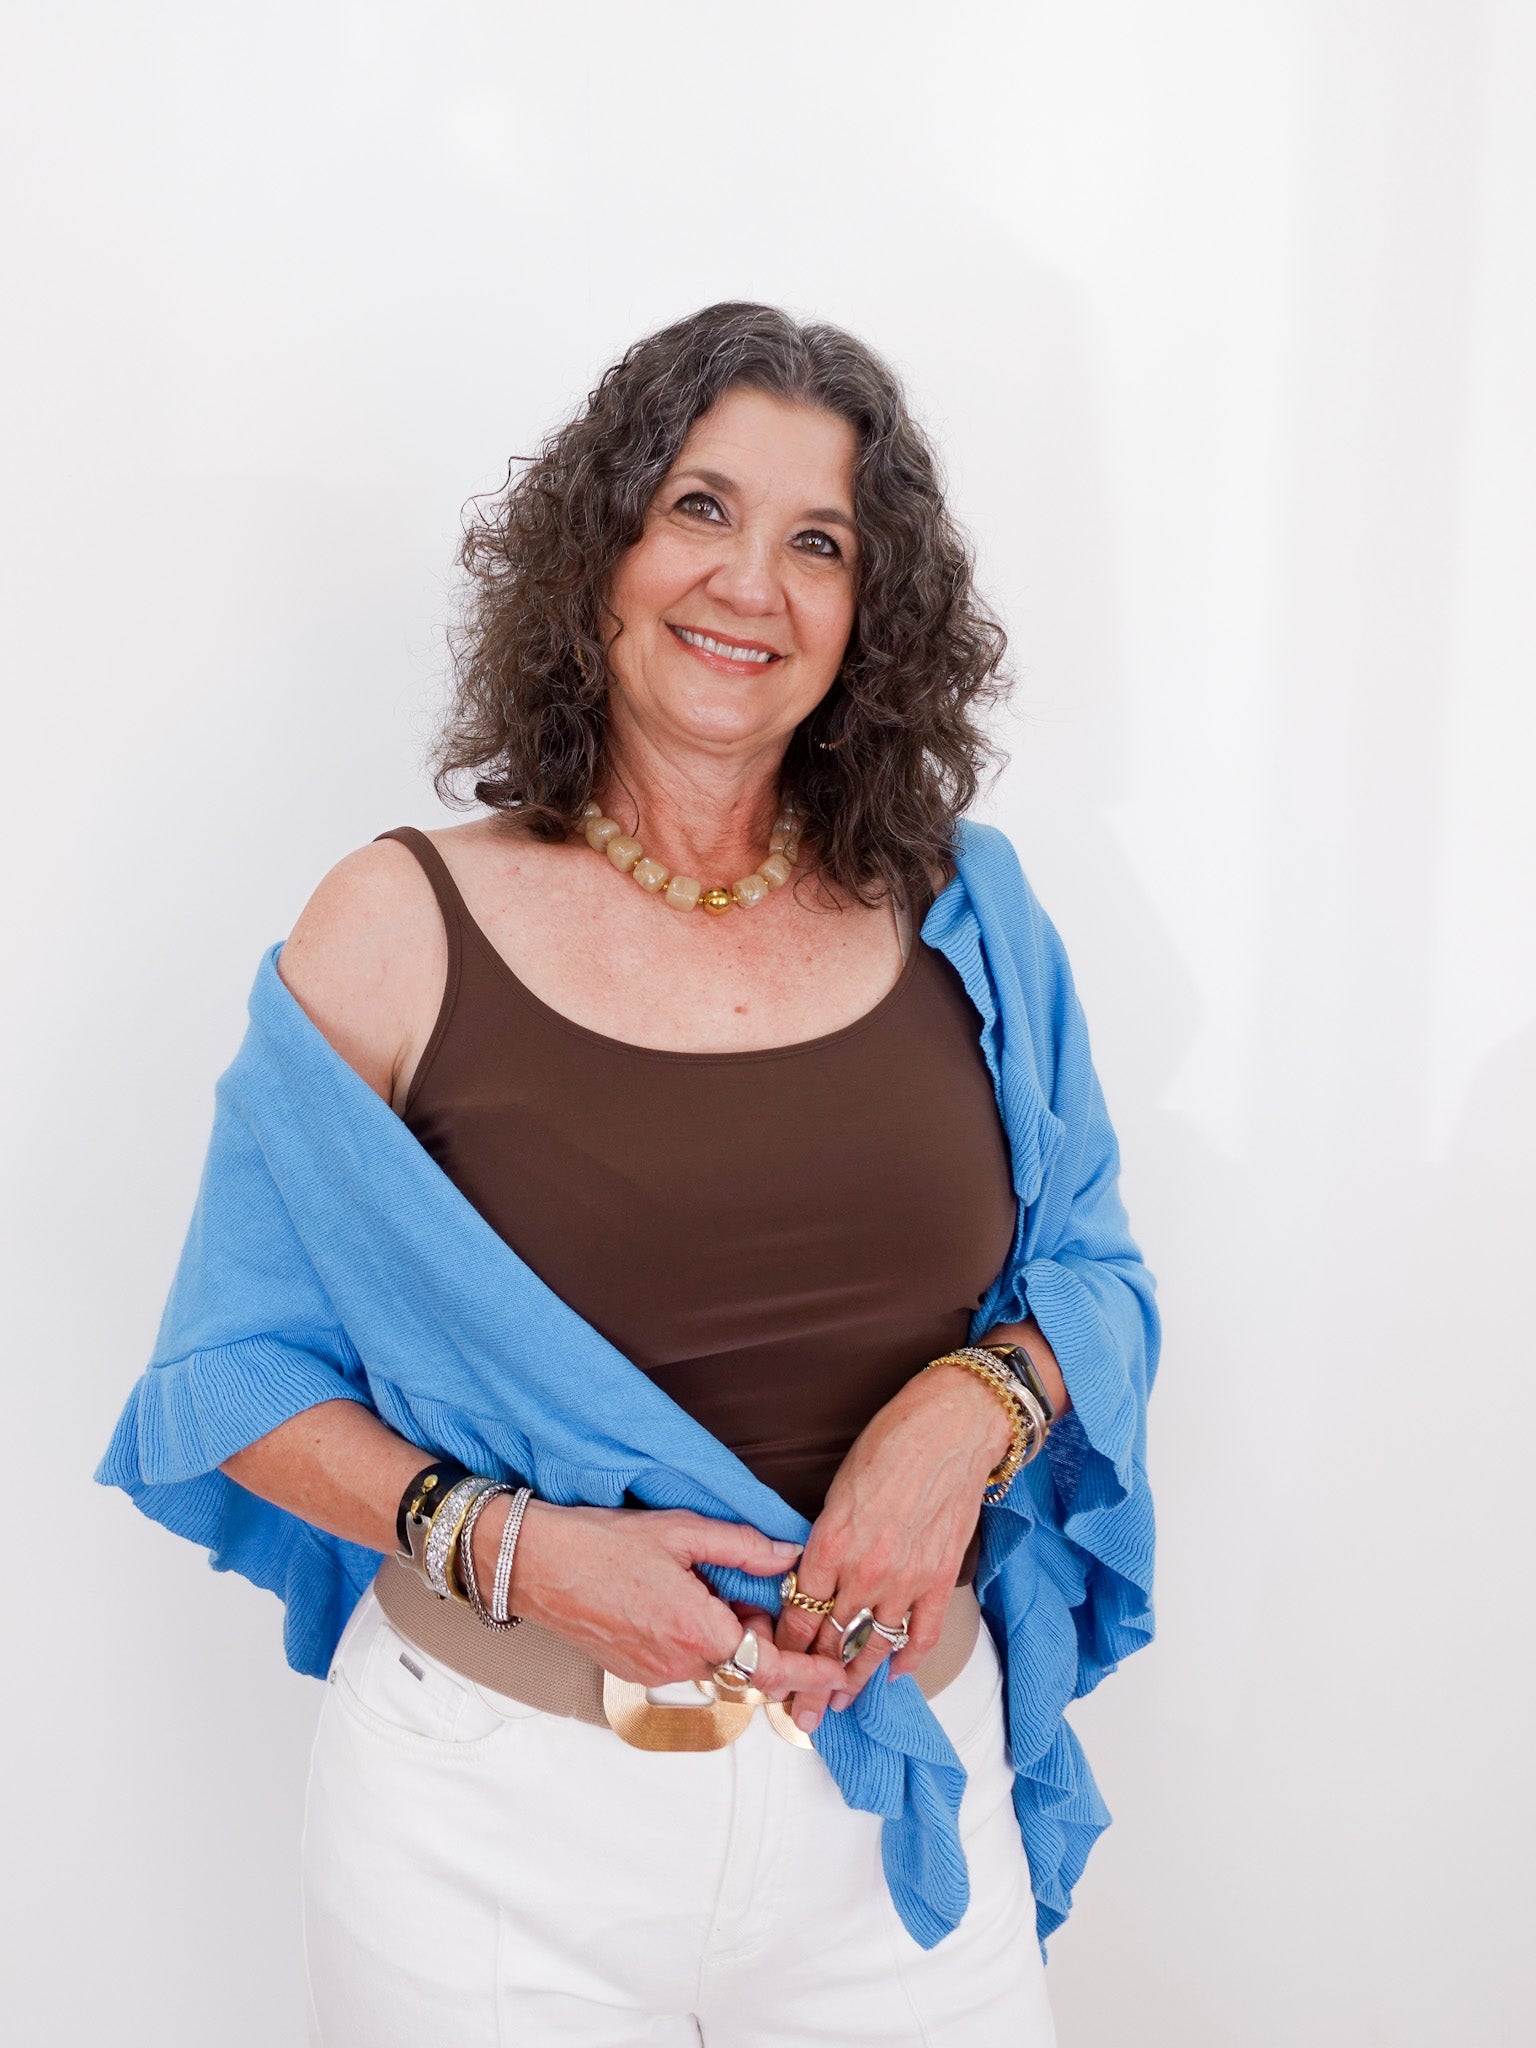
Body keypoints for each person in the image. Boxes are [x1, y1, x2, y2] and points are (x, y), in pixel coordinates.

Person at [98, 302, 1158, 2047]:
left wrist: (960, 1414)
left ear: (867, 617)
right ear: (598, 550)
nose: (753, 582)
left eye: (821, 541)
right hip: (494, 1830)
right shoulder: (397, 925)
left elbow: (1095, 1287)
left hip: (896, 1798)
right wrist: (516, 1551)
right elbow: (231, 1378)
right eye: (700, 509)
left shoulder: (973, 915)